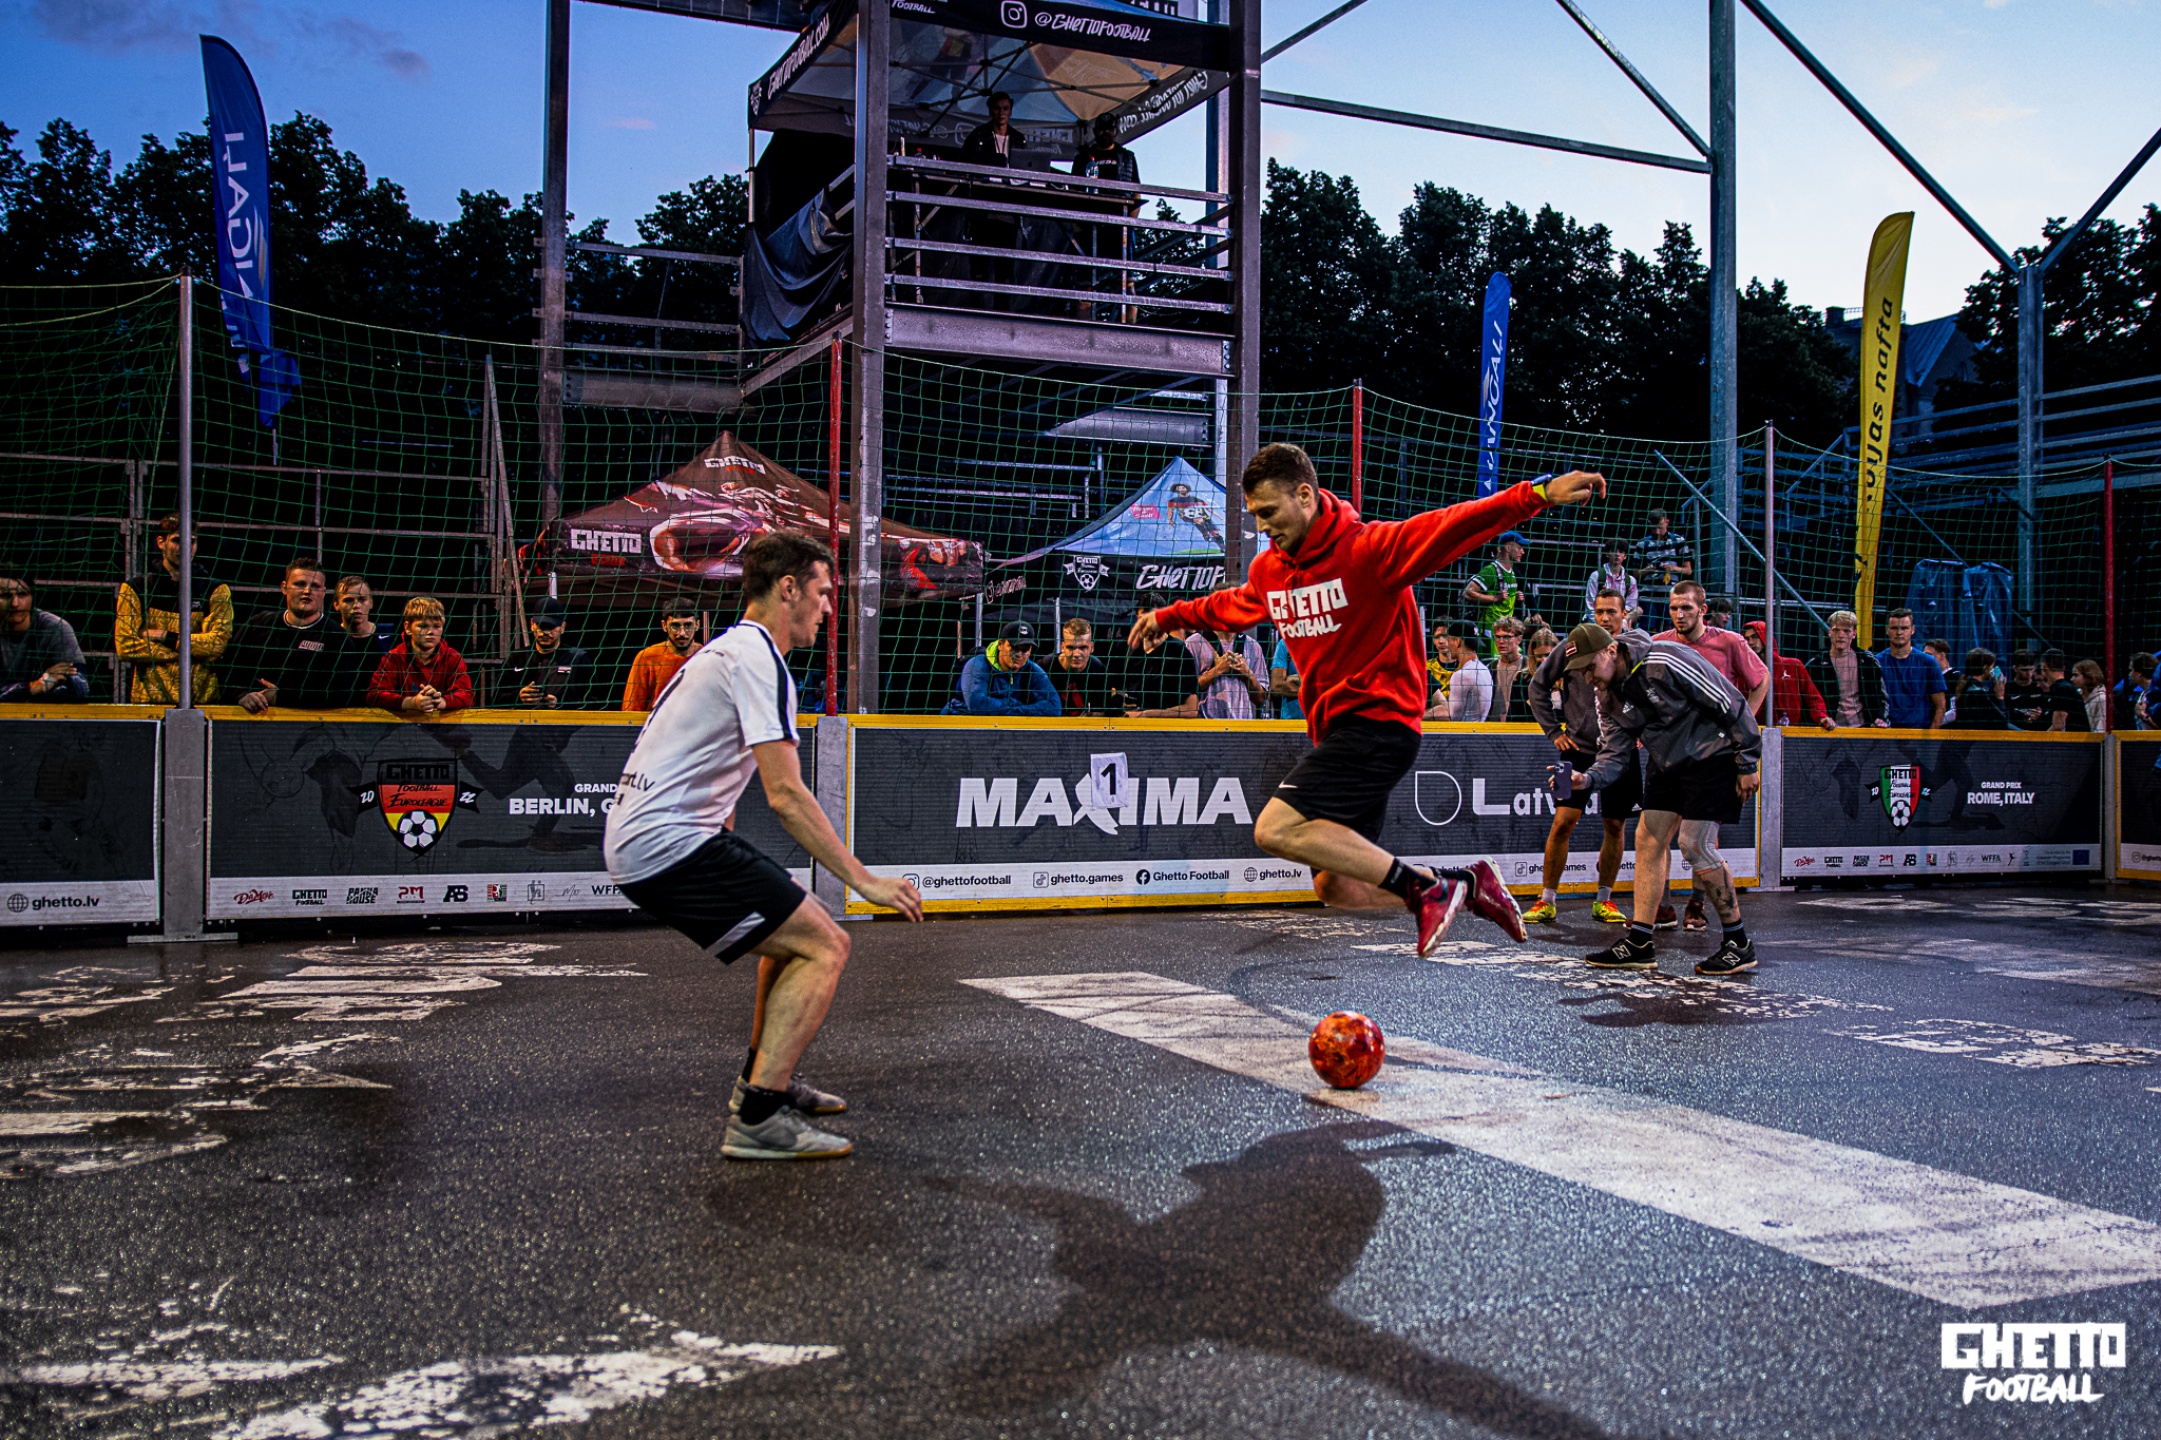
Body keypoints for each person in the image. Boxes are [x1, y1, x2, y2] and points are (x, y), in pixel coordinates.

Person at [1129, 441, 1609, 954]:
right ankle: (1466, 884)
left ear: (1305, 496)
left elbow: (1458, 524)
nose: (1262, 525)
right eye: (1255, 516)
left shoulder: (1369, 549)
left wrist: (1539, 494)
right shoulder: (1271, 571)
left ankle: (1429, 891)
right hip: (1336, 734)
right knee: (1336, 886)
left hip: (1381, 723)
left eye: (1268, 511)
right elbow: (1235, 604)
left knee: (1274, 829)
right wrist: (1169, 616)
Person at [604, 531, 924, 1162]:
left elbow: (705, 762)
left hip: (660, 835)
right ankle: (758, 1118)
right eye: (823, 592)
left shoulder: (731, 651)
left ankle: (763, 1078)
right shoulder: (757, 659)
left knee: (794, 921)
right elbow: (786, 795)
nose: (828, 608)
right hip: (664, 843)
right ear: (788, 588)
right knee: (826, 944)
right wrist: (864, 880)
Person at [1566, 623, 1762, 977]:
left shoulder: (1665, 659)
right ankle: (1640, 942)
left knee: (1694, 844)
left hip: (1713, 754)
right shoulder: (1606, 695)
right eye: (1581, 672)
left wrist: (1747, 760)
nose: (1588, 677)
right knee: (1647, 838)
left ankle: (1739, 943)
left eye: (1589, 667)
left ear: (1610, 651)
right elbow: (1615, 753)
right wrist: (1588, 779)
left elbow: (1728, 700)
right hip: (1666, 761)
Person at [1522, 590, 1641, 927]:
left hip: (1621, 752)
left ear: (1624, 614)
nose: (1605, 618)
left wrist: (1641, 730)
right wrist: (1553, 731)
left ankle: (1604, 900)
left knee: (1615, 825)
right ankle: (1546, 899)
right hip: (1574, 751)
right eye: (1599, 611)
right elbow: (1537, 686)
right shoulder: (1573, 645)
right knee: (1562, 823)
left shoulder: (1633, 650)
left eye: (1612, 612)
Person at [115, 513, 233, 704]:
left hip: (202, 702)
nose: (185, 547)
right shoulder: (136, 588)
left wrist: (165, 637)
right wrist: (192, 651)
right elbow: (126, 646)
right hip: (149, 703)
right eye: (177, 540)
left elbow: (217, 646)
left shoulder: (215, 590)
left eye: (191, 541)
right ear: (161, 542)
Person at [226, 558, 353, 712]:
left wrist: (281, 697)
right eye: (300, 584)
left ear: (323, 592)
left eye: (315, 586)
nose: (307, 591)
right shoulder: (257, 626)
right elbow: (227, 672)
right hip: (250, 722)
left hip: (313, 724)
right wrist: (241, 695)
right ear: (284, 588)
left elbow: (341, 694)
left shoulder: (337, 637)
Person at [1070, 113, 1141, 321]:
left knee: (1127, 283)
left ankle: (1129, 331)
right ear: (1095, 131)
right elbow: (1072, 193)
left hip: (1119, 226)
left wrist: (1130, 223)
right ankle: (1084, 331)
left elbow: (1136, 194)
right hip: (1089, 225)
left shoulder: (1127, 157)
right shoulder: (1083, 157)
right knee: (1085, 285)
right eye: (1102, 128)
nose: (1106, 132)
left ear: (1116, 131)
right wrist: (1077, 224)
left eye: (1110, 128)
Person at [368, 596, 474, 717]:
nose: (430, 632)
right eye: (423, 626)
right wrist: (412, 702)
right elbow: (374, 695)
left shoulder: (453, 658)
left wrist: (440, 701)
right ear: (407, 627)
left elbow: (467, 696)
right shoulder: (393, 658)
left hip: (443, 725)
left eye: (436, 626)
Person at [0, 572, 89, 703]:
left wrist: (45, 686)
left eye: (22, 594)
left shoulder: (55, 627)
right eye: (5, 596)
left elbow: (81, 689)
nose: (15, 603)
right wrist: (31, 687)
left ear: (32, 597)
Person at [943, 620, 1060, 716]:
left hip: (1004, 726)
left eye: (1025, 650)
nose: (1019, 654)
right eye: (1014, 648)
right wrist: (1014, 704)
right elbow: (977, 705)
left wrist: (1015, 710)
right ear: (1000, 645)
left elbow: (1054, 707)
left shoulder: (1032, 670)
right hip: (959, 722)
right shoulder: (977, 665)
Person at [499, 597, 591, 709]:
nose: (546, 632)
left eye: (551, 627)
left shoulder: (577, 659)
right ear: (532, 624)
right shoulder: (516, 658)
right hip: (524, 719)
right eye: (541, 626)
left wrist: (560, 703)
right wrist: (518, 697)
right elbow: (496, 699)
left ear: (563, 627)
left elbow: (595, 702)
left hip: (560, 720)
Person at [1115, 603, 1200, 718]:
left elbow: (1191, 709)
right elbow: (1112, 690)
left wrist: (1146, 714)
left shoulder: (1179, 652)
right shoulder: (1126, 648)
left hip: (1165, 726)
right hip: (1129, 723)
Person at [1740, 621, 1830, 728]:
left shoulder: (1793, 665)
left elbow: (1812, 697)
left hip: (1790, 731)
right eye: (1746, 639)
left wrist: (1821, 717)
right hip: (1756, 730)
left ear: (1766, 636)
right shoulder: (1743, 672)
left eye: (1755, 637)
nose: (1750, 642)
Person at [1805, 610, 1886, 729]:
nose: (1841, 635)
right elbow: (1808, 700)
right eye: (1836, 630)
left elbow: (1882, 696)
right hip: (1828, 730)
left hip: (1864, 729)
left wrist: (1880, 718)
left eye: (1846, 631)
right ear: (1829, 632)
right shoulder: (1816, 664)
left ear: (1854, 634)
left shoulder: (1868, 661)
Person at [623, 599, 702, 711]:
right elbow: (631, 709)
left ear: (697, 624)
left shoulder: (707, 658)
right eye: (675, 626)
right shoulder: (647, 657)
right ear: (664, 625)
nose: (682, 633)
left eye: (688, 625)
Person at [1874, 608, 1946, 729]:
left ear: (1913, 630)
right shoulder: (1876, 662)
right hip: (1886, 732)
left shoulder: (1928, 662)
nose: (1899, 632)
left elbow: (1941, 705)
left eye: (1904, 628)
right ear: (1887, 630)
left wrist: (1932, 735)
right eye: (1894, 628)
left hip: (1920, 733)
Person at [1462, 531, 1526, 653]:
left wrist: (1516, 598)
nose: (1522, 552)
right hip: (1491, 631)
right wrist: (1494, 598)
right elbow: (1469, 592)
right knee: (1494, 663)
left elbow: (1505, 602)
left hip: (1507, 630)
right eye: (1519, 548)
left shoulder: (1511, 572)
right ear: (1508, 548)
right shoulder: (1491, 570)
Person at [1188, 625, 1269, 719]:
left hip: (1242, 724)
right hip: (1206, 724)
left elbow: (1260, 698)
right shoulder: (1193, 643)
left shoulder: (1253, 646)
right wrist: (1217, 670)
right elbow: (1185, 691)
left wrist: (1248, 674)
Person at [1633, 509, 1693, 629]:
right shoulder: (1642, 544)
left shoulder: (1678, 541)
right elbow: (1635, 573)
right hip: (1649, 596)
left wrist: (1673, 568)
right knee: (1649, 630)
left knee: (1669, 629)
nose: (1657, 531)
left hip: (1670, 595)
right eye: (1654, 528)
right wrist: (1648, 570)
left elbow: (1688, 570)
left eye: (1660, 527)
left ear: (1667, 522)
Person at [1050, 617, 1116, 716]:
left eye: (1083, 647)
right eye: (1071, 647)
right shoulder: (1045, 668)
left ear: (1091, 647)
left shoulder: (1100, 672)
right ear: (1062, 647)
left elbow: (1101, 713)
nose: (1076, 654)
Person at [1431, 621, 1491, 723]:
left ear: (1457, 641)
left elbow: (1452, 717)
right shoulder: (1485, 670)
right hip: (1479, 730)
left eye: (1448, 639)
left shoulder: (1461, 675)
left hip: (1463, 732)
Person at [1945, 649, 2012, 729]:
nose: (1993, 670)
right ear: (1985, 668)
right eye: (1992, 667)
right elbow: (2003, 723)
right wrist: (2000, 696)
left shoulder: (1968, 686)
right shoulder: (1977, 693)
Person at [334, 577, 395, 657]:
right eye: (349, 600)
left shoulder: (391, 633)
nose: (356, 605)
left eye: (362, 600)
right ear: (336, 605)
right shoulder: (330, 638)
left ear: (371, 602)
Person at [1486, 616, 1531, 722]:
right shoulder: (1490, 668)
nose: (1501, 641)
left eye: (1506, 637)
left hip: (1520, 725)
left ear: (1519, 639)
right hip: (1492, 726)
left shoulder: (1529, 667)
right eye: (1497, 637)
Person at [1583, 539, 1638, 624]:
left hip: (1619, 622)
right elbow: (1590, 606)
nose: (1617, 554)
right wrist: (1600, 624)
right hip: (1597, 622)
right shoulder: (1596, 576)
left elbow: (1630, 606)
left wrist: (1617, 622)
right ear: (1607, 554)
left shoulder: (1631, 581)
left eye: (1621, 552)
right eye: (1613, 551)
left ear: (1625, 556)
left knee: (1638, 610)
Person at [2037, 650, 2090, 733]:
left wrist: (2039, 740)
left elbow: (2058, 726)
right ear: (2063, 667)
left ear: (2044, 667)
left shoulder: (2062, 689)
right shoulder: (2060, 688)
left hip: (2075, 740)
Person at [2002, 650, 2052, 731]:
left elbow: (2049, 713)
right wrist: (2020, 716)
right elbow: (2003, 715)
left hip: (2038, 732)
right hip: (2014, 733)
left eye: (2031, 669)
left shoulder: (2040, 687)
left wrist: (2040, 715)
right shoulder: (2006, 688)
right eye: (2024, 670)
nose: (2029, 673)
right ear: (2015, 668)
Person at [1423, 618, 1462, 717]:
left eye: (1445, 636)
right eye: (1437, 637)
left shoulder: (1465, 668)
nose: (1441, 641)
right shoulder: (1426, 668)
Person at [2115, 653, 2157, 731]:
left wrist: (2143, 716)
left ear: (2139, 673)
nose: (2130, 674)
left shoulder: (2157, 694)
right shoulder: (2143, 695)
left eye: (2131, 670)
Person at [1269, 630, 1303, 720]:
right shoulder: (1285, 643)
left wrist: (1293, 681)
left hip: (1325, 720)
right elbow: (1277, 686)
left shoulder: (1330, 644)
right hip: (1291, 721)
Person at [2073, 659, 2109, 733]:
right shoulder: (2077, 696)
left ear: (2088, 676)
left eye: (2075, 675)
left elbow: (2101, 728)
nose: (2072, 679)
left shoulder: (2102, 699)